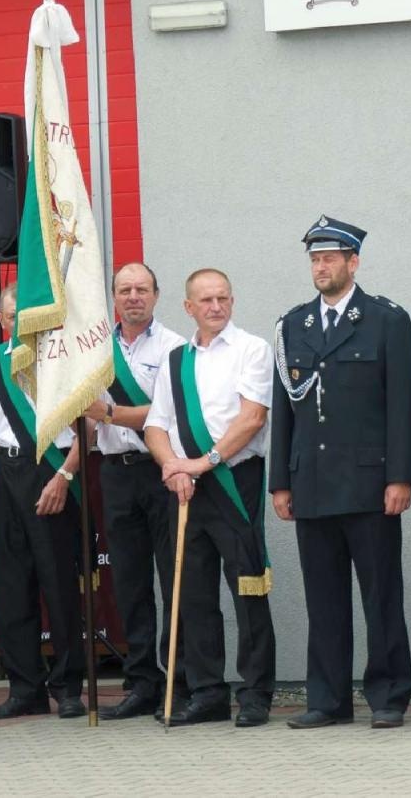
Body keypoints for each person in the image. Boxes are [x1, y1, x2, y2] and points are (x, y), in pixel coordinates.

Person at [270, 215, 411, 729]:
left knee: (381, 597)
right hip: (312, 483)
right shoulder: (293, 326)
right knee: (324, 600)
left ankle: (389, 697)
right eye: (315, 259)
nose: (321, 267)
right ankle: (328, 699)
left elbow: (403, 406)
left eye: (330, 258)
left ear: (353, 262)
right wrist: (281, 481)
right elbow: (285, 408)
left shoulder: (385, 320)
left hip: (369, 484)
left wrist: (401, 477)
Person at [143, 269, 276, 727]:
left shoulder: (252, 349)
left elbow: (252, 418)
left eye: (223, 298)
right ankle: (207, 692)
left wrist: (201, 463)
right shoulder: (175, 360)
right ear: (189, 307)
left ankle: (255, 693)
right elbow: (156, 425)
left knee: (248, 590)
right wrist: (172, 466)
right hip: (186, 489)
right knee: (193, 593)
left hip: (234, 482)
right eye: (206, 300)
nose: (216, 306)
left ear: (232, 302)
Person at [0, 281, 85, 720]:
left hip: (53, 470)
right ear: (1, 319)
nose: (20, 321)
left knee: (59, 585)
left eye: (27, 313)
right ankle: (25, 688)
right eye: (12, 314)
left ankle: (68, 687)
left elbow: (88, 429)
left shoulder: (67, 357)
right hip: (8, 473)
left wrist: (64, 475)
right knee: (12, 587)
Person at [81, 262, 186, 721]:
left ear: (156, 295)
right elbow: (83, 416)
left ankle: (181, 680)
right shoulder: (94, 351)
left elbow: (165, 409)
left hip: (160, 470)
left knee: (174, 578)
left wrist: (107, 412)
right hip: (115, 473)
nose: (133, 297)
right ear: (114, 298)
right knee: (129, 583)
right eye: (125, 290)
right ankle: (142, 682)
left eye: (142, 289)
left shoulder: (174, 347)